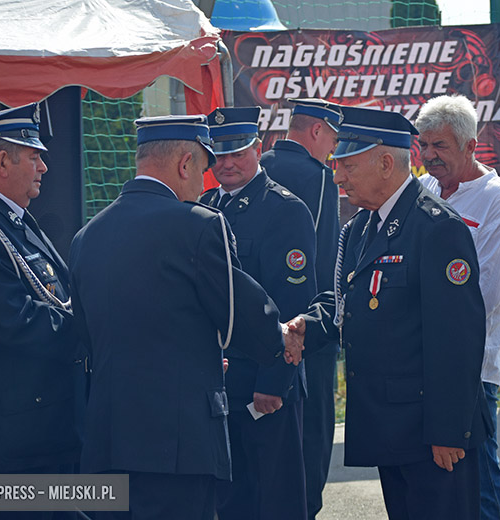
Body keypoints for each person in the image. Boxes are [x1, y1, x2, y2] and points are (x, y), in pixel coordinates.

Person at [69, 114, 303, 520]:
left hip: (107, 438)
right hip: (178, 442)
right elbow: (236, 315)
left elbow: (88, 336)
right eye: (203, 167)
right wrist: (280, 335)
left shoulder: (87, 235)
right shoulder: (198, 224)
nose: (205, 181)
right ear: (183, 164)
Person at [294, 106, 491, 519]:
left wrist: (448, 430)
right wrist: (301, 329)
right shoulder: (361, 229)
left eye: (347, 165)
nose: (337, 176)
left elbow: (457, 338)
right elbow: (345, 306)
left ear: (386, 163)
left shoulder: (436, 227)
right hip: (390, 428)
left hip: (432, 437)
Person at [200, 106, 316, 520]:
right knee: (231, 501)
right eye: (218, 155)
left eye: (237, 152)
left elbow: (292, 308)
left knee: (276, 500)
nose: (227, 163)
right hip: (221, 385)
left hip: (266, 388)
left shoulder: (284, 210)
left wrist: (274, 381)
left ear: (259, 148)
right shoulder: (205, 207)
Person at [0, 104, 85, 507]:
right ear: (2, 161)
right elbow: (11, 320)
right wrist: (94, 331)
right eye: (34, 156)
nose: (44, 168)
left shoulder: (9, 216)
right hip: (10, 445)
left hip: (41, 432)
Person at [415, 94, 500, 520]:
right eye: (424, 145)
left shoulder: (497, 201)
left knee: (478, 487)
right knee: (441, 492)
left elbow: (487, 297)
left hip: (472, 370)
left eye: (440, 146)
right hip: (423, 365)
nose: (429, 156)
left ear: (470, 146)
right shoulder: (423, 188)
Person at [260, 98, 342, 520]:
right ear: (316, 131)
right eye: (332, 136)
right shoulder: (320, 178)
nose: (333, 146)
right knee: (309, 451)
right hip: (305, 330)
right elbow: (326, 267)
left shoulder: (258, 167)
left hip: (255, 328)